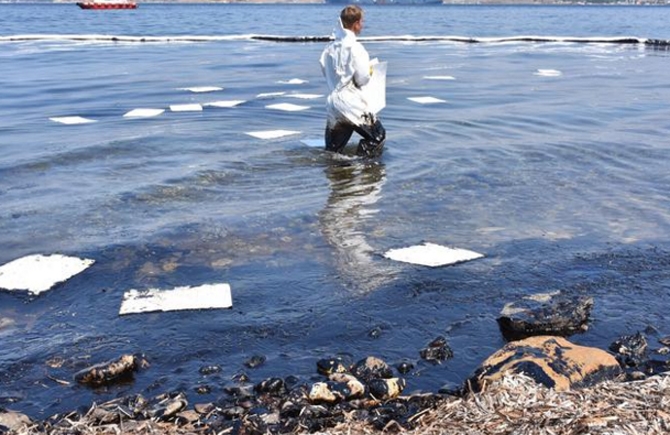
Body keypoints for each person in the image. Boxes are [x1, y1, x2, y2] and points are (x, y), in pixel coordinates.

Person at [320, 5, 386, 158]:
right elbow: (362, 79)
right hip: (350, 101)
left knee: (333, 152)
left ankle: (339, 176)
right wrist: (370, 71)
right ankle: (365, 170)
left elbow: (325, 70)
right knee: (377, 136)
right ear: (356, 23)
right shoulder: (356, 48)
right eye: (362, 22)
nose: (362, 25)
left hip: (332, 103)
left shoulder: (329, 48)